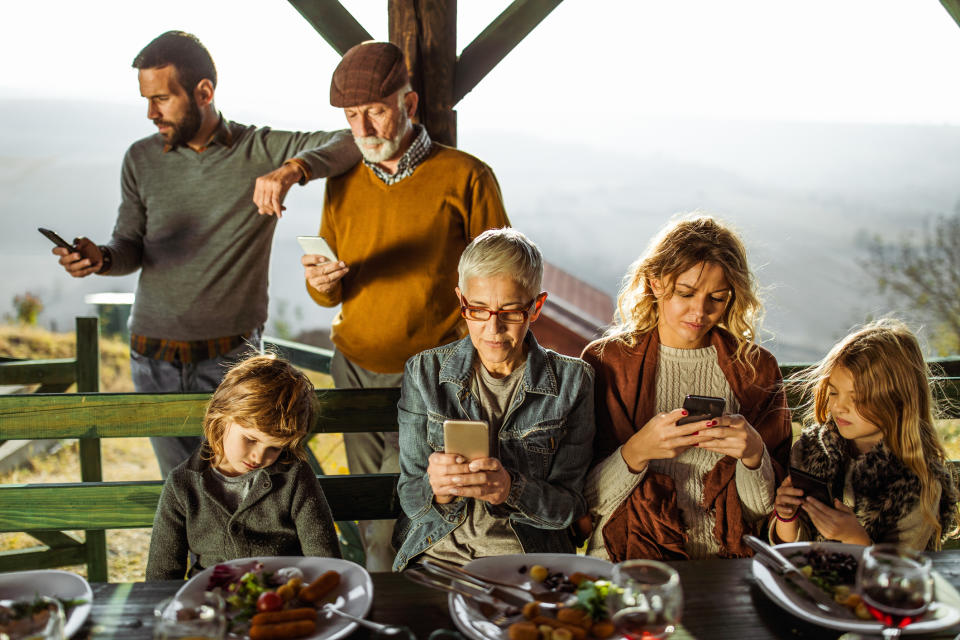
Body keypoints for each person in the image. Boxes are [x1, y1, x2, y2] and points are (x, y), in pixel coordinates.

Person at [50, 31, 360, 478]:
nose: (151, 113)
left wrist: (294, 170)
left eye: (161, 99)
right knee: (184, 493)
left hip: (232, 361)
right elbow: (129, 245)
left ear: (204, 92)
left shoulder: (260, 148)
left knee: (244, 489)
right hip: (151, 360)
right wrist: (100, 258)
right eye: (146, 100)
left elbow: (350, 139)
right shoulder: (140, 158)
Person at [304, 41, 510, 570]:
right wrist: (322, 282)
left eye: (374, 110)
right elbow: (327, 289)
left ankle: (390, 605)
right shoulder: (342, 180)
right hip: (352, 366)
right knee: (373, 504)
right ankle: (390, 603)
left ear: (409, 104)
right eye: (352, 117)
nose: (364, 129)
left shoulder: (467, 175)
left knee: (406, 509)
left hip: (430, 376)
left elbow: (501, 280)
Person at [581, 214, 791, 561]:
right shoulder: (609, 362)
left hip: (727, 561)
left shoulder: (756, 368)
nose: (700, 311)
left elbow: (763, 514)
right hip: (629, 556)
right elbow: (587, 504)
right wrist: (637, 451)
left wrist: (754, 455)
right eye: (686, 293)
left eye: (717, 298)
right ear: (654, 283)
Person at [392, 228, 595, 571]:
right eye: (478, 310)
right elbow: (410, 495)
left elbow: (569, 507)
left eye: (511, 312)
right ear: (461, 301)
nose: (493, 329)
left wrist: (511, 490)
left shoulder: (573, 382)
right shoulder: (424, 372)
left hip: (525, 561)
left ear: (536, 307)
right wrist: (438, 490)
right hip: (437, 556)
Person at [145, 353, 340, 580]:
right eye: (251, 439)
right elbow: (162, 574)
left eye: (275, 448)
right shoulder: (182, 484)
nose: (259, 457)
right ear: (222, 415)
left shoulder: (295, 476)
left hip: (282, 598)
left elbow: (324, 559)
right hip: (211, 599)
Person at [771, 319, 959, 550]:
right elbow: (791, 546)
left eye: (858, 398)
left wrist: (855, 539)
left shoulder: (917, 482)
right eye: (833, 392)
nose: (840, 406)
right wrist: (786, 517)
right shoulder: (810, 451)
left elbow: (900, 571)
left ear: (897, 401)